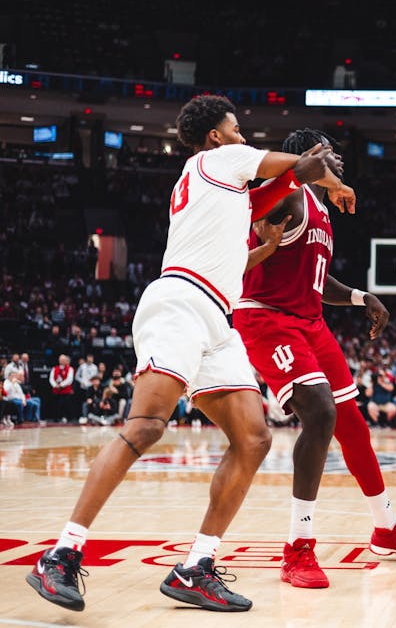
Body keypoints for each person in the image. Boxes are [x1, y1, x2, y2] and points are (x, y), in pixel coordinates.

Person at [26, 94, 341, 613]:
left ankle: (196, 566)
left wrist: (283, 208)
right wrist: (320, 162)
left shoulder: (222, 190)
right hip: (179, 301)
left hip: (217, 318)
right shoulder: (219, 159)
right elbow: (300, 166)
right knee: (147, 425)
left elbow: (258, 221)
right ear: (215, 134)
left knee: (254, 438)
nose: (243, 136)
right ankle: (61, 554)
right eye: (236, 128)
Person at [233, 127, 396, 589]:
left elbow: (317, 280)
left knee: (353, 425)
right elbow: (250, 224)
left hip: (309, 322)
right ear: (308, 157)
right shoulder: (286, 198)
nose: (340, 162)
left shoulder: (320, 210)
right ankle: (298, 547)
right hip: (268, 318)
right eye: (331, 154)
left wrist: (360, 296)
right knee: (321, 413)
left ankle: (386, 529)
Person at [48, 353, 75, 422]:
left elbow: (69, 379)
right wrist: (55, 385)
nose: (62, 361)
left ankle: (67, 418)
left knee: (66, 404)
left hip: (65, 390)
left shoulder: (70, 369)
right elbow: (51, 379)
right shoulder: (55, 368)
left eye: (63, 360)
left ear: (66, 360)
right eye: (61, 360)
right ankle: (55, 418)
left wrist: (61, 385)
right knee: (55, 405)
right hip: (56, 390)